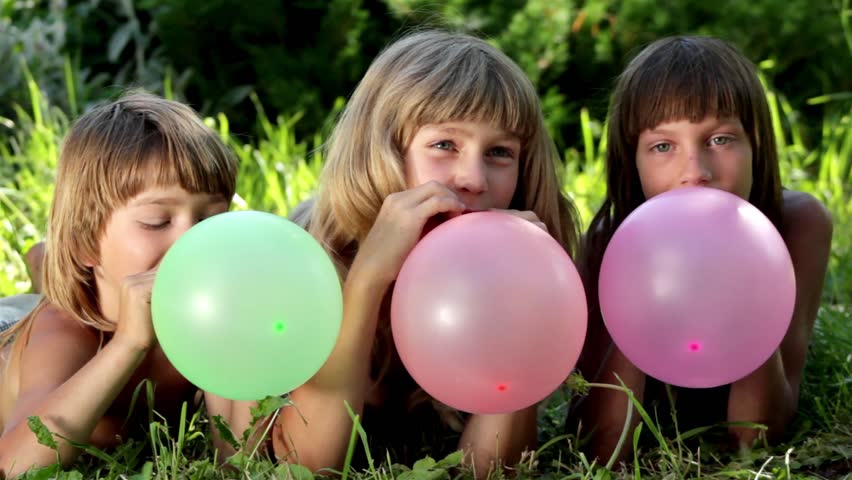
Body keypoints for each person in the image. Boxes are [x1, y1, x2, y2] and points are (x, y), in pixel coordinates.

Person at [272, 30, 582, 476]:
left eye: (499, 152)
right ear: (382, 152)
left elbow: (492, 470)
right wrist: (368, 279)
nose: (473, 178)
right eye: (444, 145)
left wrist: (523, 308)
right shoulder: (313, 260)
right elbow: (312, 465)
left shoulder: (504, 277)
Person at [570, 35, 833, 461]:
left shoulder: (799, 226)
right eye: (662, 146)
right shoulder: (605, 245)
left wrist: (747, 272)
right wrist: (635, 295)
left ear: (757, 145)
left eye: (720, 139)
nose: (695, 172)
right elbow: (602, 446)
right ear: (631, 163)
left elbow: (757, 437)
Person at [0, 92, 254, 475]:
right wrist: (129, 344)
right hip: (9, 333)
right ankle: (47, 265)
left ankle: (45, 263)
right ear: (87, 241)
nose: (190, 242)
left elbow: (236, 459)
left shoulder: (199, 318)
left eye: (210, 220)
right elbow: (13, 464)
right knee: (43, 306)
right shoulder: (66, 334)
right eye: (157, 221)